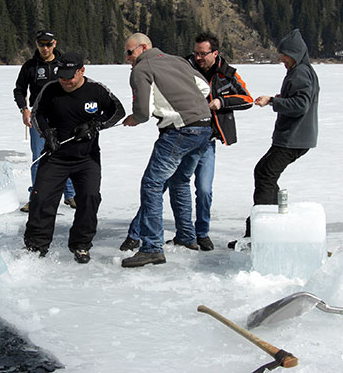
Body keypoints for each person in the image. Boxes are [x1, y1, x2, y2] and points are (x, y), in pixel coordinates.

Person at [120, 33, 212, 268]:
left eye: (130, 52)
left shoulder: (141, 70)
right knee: (180, 181)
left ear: (143, 48)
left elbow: (142, 112)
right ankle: (187, 237)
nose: (128, 57)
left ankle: (151, 247)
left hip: (179, 131)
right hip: (204, 127)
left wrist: (134, 118)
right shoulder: (178, 61)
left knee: (152, 184)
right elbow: (203, 88)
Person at [24, 52, 125, 264]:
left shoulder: (96, 90)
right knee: (41, 199)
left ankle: (81, 244)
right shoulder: (50, 89)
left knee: (89, 198)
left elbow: (117, 111)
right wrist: (47, 133)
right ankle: (36, 247)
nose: (65, 81)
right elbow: (37, 114)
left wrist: (95, 124)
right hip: (55, 156)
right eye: (61, 76)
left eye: (69, 76)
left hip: (86, 158)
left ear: (81, 71)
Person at [229, 28, 319, 248]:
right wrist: (281, 98)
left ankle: (260, 232)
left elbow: (301, 105)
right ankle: (273, 223)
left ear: (295, 54)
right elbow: (299, 99)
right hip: (293, 137)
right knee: (265, 172)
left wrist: (273, 101)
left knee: (266, 174)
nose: (281, 59)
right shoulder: (301, 71)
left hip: (294, 138)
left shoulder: (300, 73)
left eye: (284, 55)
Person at [166, 33, 253, 251]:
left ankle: (202, 233)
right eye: (196, 53)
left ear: (215, 53)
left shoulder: (226, 73)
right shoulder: (184, 67)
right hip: (182, 136)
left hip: (207, 141)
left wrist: (221, 101)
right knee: (177, 185)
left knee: (204, 189)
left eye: (203, 54)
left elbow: (247, 99)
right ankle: (184, 233)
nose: (198, 57)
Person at [13, 30, 76, 213]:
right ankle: (36, 197)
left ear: (54, 43)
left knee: (65, 153)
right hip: (39, 116)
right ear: (37, 44)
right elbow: (19, 90)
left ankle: (70, 194)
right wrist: (24, 109)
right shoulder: (30, 66)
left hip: (63, 115)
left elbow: (76, 85)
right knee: (39, 157)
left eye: (48, 44)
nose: (45, 48)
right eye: (42, 44)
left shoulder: (63, 63)